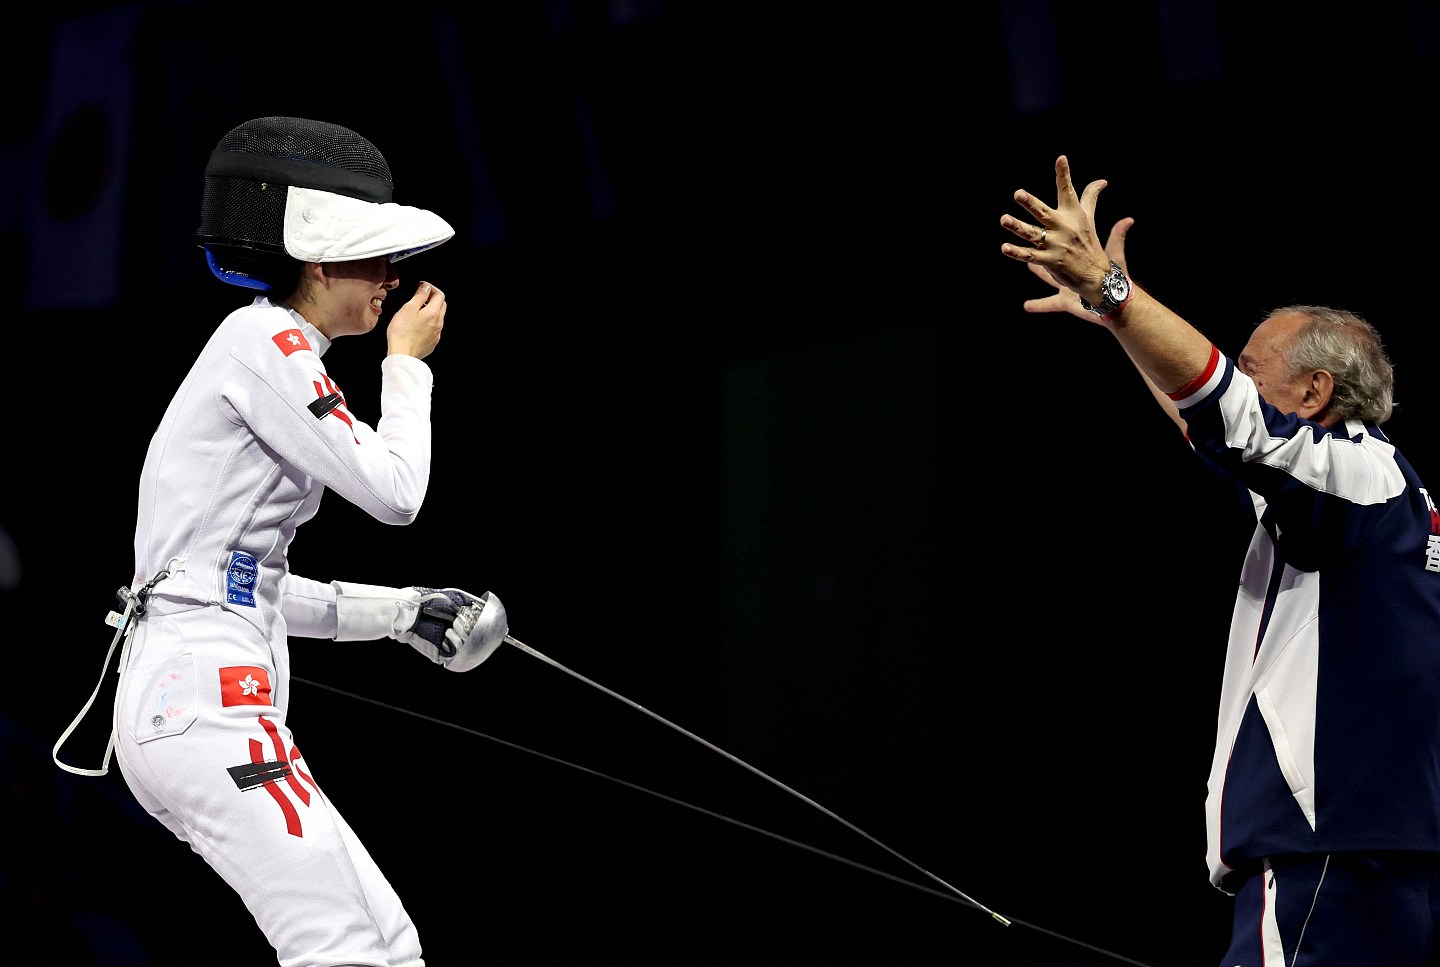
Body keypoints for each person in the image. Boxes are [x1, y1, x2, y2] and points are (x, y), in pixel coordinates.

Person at [53, 116, 508, 967]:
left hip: (214, 701)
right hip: (201, 705)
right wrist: (408, 363)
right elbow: (397, 494)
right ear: (318, 257)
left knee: (389, 943)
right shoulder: (264, 341)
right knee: (338, 945)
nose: (391, 279)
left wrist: (405, 611)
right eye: (373, 257)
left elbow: (248, 585)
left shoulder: (274, 356)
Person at [999, 155, 1440, 966]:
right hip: (1364, 864)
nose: (1236, 378)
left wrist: (1114, 290)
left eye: (1254, 368)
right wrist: (1123, 326)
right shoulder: (1365, 492)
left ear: (1312, 392)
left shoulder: (1351, 469)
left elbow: (1227, 413)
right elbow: (1211, 424)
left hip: (1319, 863)